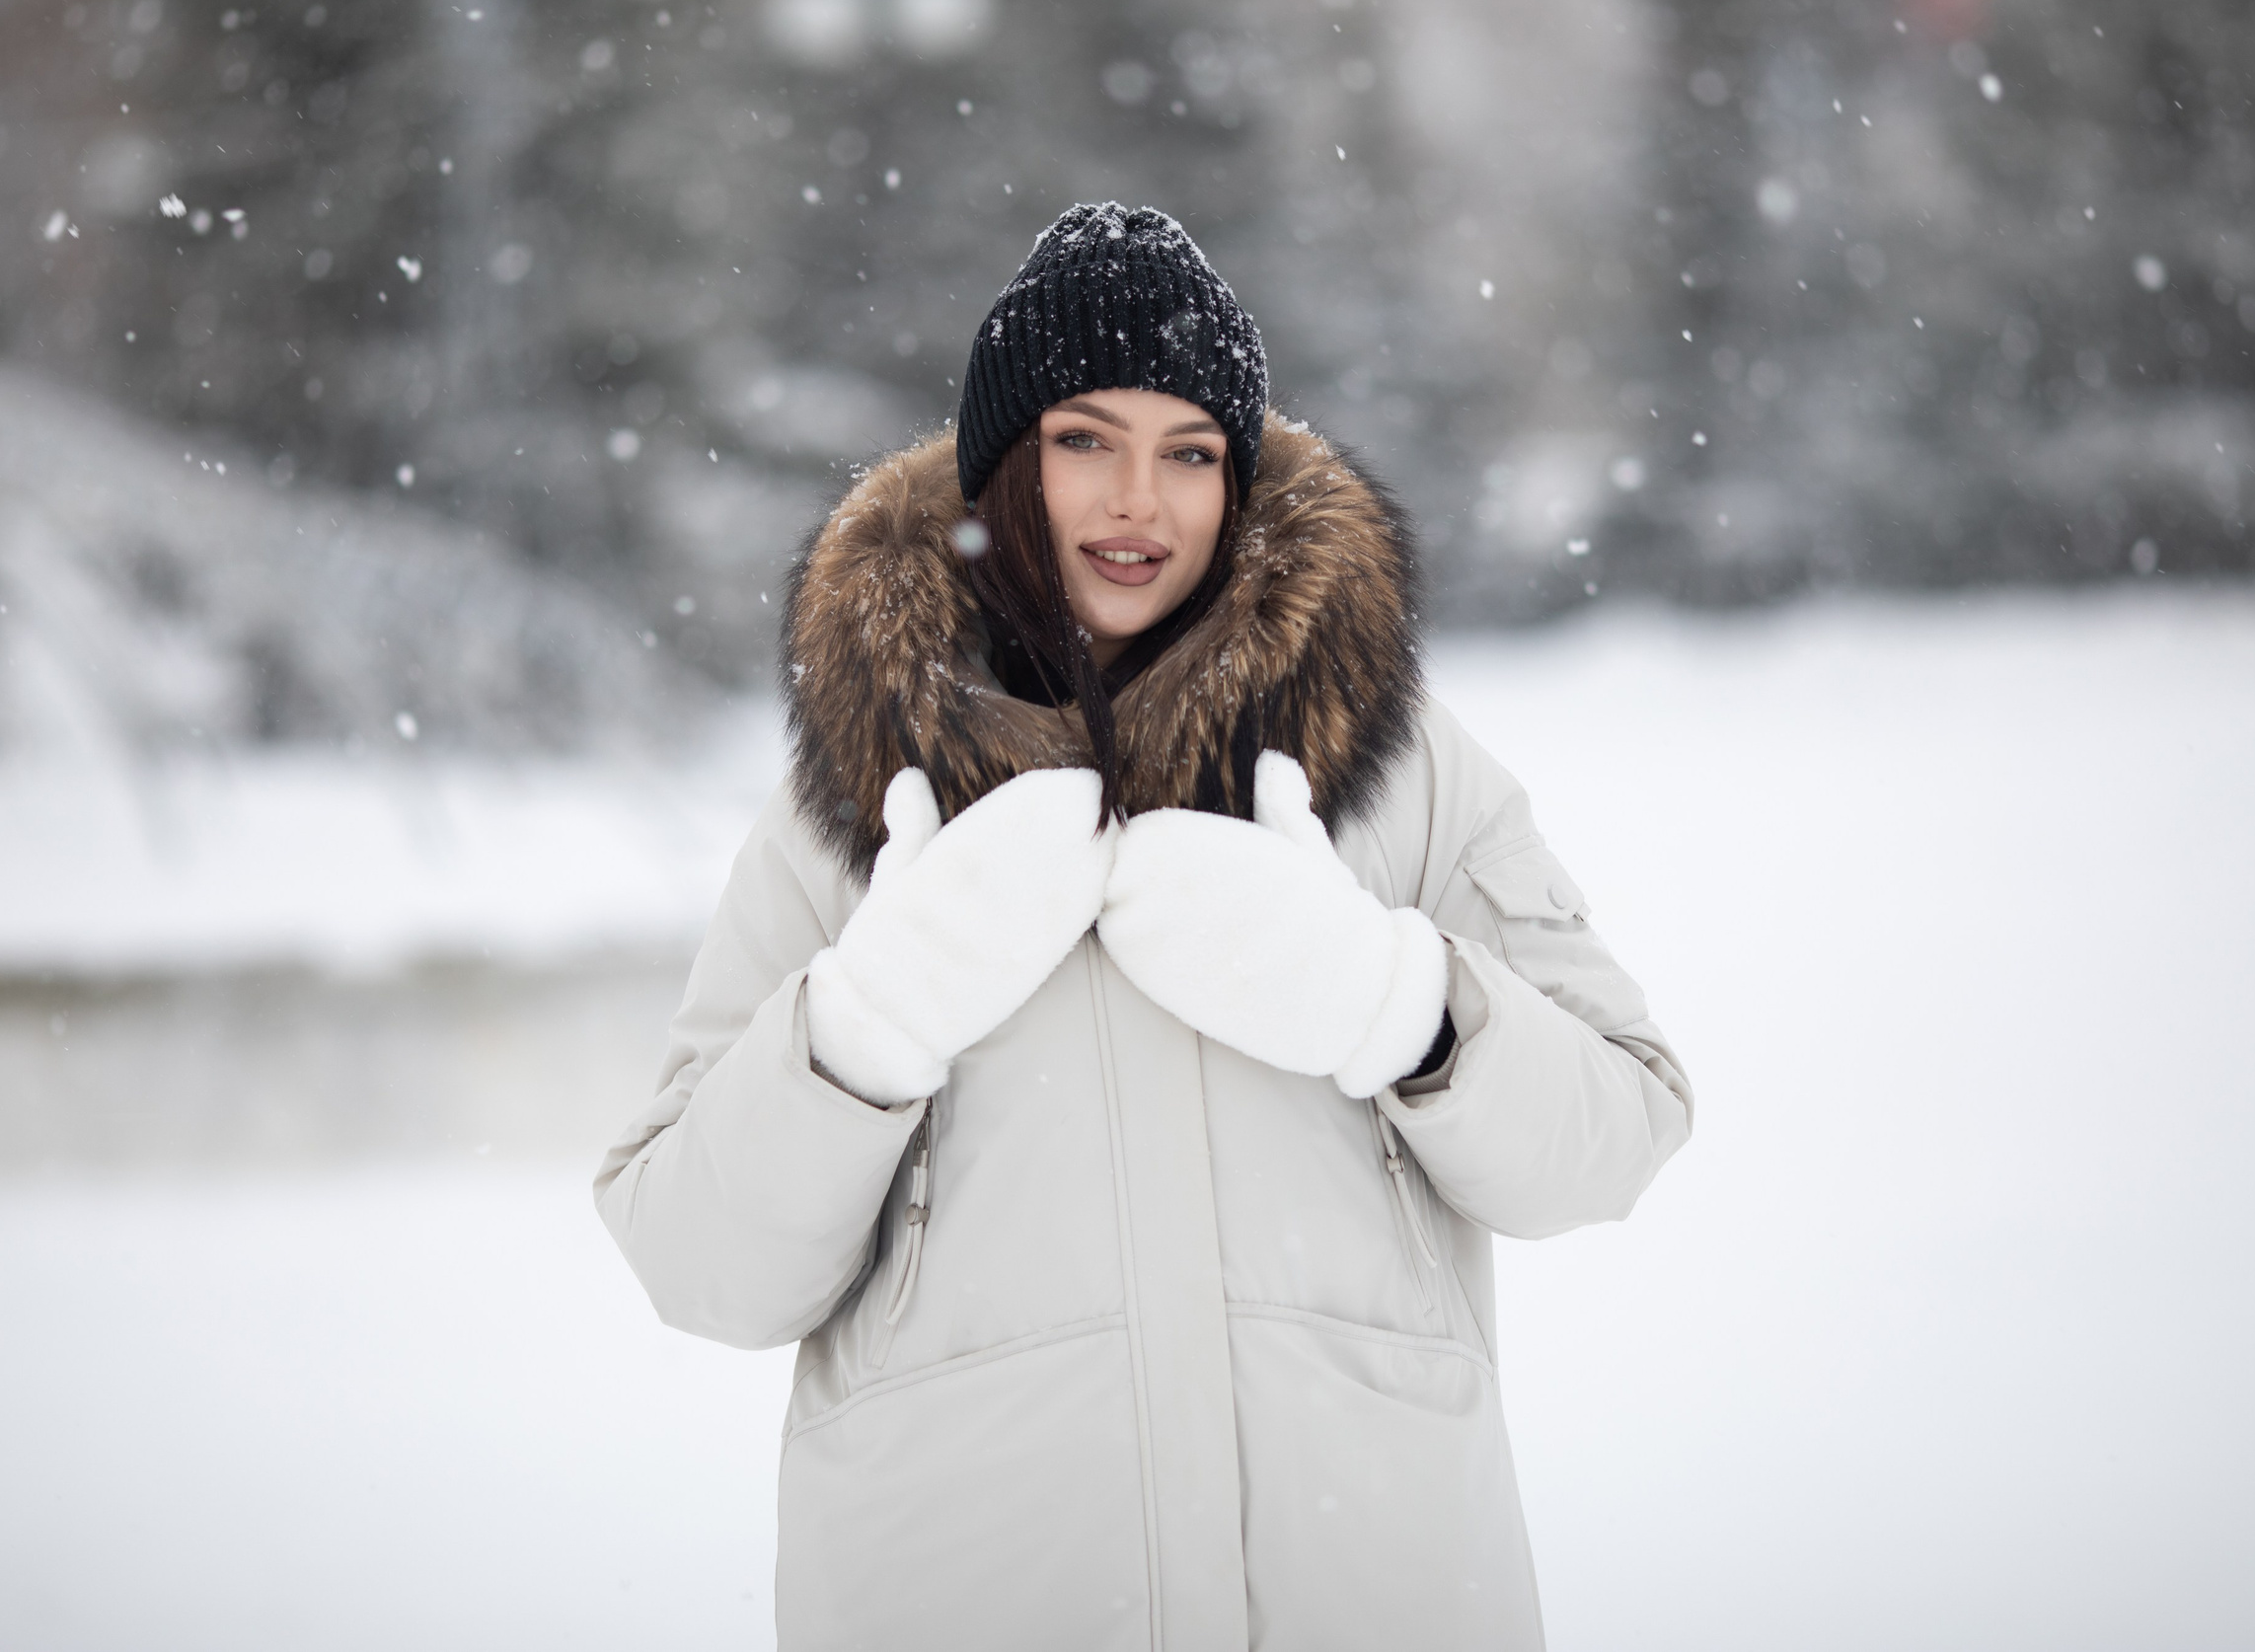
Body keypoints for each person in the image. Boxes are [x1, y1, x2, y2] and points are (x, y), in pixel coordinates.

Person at [595, 202, 1693, 1650]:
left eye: (1190, 453)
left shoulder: (1397, 766)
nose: (1139, 504)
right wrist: (865, 1030)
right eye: (1085, 441)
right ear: (1007, 464)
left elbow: (1615, 1133)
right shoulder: (861, 801)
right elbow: (702, 1266)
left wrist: (1397, 1007)